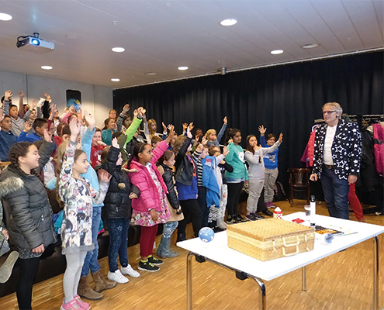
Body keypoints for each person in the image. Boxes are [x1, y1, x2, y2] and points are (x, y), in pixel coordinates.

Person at [58, 118, 111, 310]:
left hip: (85, 231)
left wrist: (103, 185)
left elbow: (97, 201)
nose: (87, 164)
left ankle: (74, 296)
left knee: (80, 266)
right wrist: (73, 136)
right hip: (72, 232)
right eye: (83, 161)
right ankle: (67, 302)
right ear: (72, 164)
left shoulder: (85, 183)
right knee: (72, 266)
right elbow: (68, 159)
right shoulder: (66, 182)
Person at [0, 131, 56, 310]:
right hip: (29, 237)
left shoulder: (27, 172)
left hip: (36, 231)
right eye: (35, 153)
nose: (38, 156)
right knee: (27, 277)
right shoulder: (16, 182)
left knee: (42, 257)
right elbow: (21, 215)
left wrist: (47, 143)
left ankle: (15, 257)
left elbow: (44, 158)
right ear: (22, 159)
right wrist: (35, 241)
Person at [128, 128, 176, 272]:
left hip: (155, 203)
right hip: (147, 207)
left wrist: (167, 140)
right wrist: (152, 209)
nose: (151, 153)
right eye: (148, 152)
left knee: (154, 229)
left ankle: (149, 255)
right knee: (147, 232)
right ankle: (143, 260)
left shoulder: (148, 163)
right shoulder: (136, 169)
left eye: (150, 151)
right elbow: (144, 192)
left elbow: (157, 152)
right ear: (139, 155)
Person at [310, 102, 362, 219]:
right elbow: (317, 151)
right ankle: (334, 227)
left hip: (341, 171)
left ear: (338, 114)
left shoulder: (350, 128)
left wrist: (354, 173)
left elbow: (356, 151)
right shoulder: (320, 129)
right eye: (324, 112)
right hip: (325, 171)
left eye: (329, 112)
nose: (326, 114)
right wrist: (315, 171)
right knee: (329, 201)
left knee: (340, 203)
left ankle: (344, 230)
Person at [100, 137, 141, 284]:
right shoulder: (106, 171)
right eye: (117, 156)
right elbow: (109, 164)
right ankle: (113, 270)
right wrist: (114, 150)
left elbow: (132, 185)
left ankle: (124, 265)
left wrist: (136, 191)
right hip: (113, 213)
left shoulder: (122, 172)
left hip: (124, 211)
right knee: (115, 241)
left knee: (124, 240)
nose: (120, 158)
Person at [245, 133, 283, 220]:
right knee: (252, 195)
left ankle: (254, 212)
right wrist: (257, 150)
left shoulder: (260, 150)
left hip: (261, 176)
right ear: (248, 142)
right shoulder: (247, 153)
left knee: (257, 195)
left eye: (255, 140)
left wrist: (278, 142)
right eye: (252, 140)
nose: (254, 142)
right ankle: (248, 213)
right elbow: (254, 161)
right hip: (254, 177)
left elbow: (271, 149)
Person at [174, 128, 202, 241]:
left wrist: (195, 191)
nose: (191, 145)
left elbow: (193, 176)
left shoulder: (188, 157)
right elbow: (181, 152)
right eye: (189, 144)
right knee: (197, 213)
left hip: (191, 189)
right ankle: (198, 236)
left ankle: (181, 236)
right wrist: (189, 138)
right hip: (184, 189)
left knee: (185, 215)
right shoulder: (179, 158)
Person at [156, 150, 184, 258]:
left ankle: (162, 249)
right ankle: (164, 251)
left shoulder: (164, 169)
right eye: (172, 160)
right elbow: (170, 190)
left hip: (166, 200)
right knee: (170, 224)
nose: (174, 162)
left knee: (173, 224)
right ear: (165, 160)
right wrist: (176, 206)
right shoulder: (166, 172)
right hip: (168, 201)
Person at [225, 128, 248, 223]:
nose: (239, 138)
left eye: (240, 136)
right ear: (231, 137)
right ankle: (230, 215)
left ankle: (235, 213)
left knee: (238, 196)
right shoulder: (230, 146)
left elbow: (242, 162)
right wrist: (229, 144)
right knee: (232, 196)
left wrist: (246, 176)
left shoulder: (239, 147)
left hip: (241, 174)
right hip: (233, 175)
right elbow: (229, 160)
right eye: (236, 136)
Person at [259, 125, 281, 208]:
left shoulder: (276, 148)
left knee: (271, 185)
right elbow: (262, 142)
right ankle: (265, 201)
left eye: (273, 140)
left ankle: (270, 201)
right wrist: (262, 134)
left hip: (274, 169)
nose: (272, 141)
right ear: (267, 140)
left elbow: (272, 151)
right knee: (264, 186)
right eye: (270, 140)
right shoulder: (264, 147)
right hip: (265, 169)